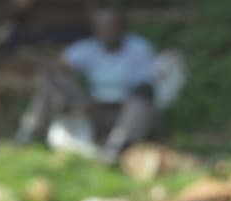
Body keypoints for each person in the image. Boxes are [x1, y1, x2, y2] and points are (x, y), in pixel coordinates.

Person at [14, 7, 159, 164]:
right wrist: (64, 94)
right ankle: (27, 135)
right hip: (93, 108)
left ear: (122, 28)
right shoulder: (89, 49)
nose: (108, 32)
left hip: (125, 110)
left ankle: (115, 149)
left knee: (140, 103)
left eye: (112, 27)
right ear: (96, 31)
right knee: (50, 84)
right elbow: (53, 71)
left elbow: (145, 88)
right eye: (103, 28)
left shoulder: (139, 49)